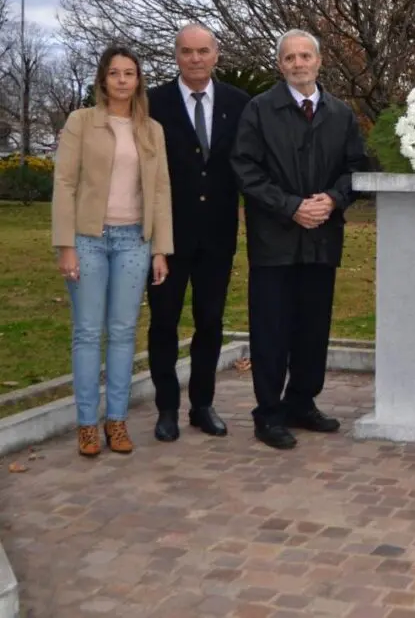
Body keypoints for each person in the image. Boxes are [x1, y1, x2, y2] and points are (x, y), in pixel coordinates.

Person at [231, 29, 369, 450]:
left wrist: (332, 199)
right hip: (275, 240)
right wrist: (291, 206)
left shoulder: (340, 114)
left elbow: (356, 169)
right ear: (280, 65)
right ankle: (268, 414)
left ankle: (301, 402)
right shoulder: (259, 110)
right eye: (290, 58)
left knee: (313, 329)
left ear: (319, 61)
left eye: (305, 55)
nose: (298, 64)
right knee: (271, 330)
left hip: (322, 240)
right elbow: (245, 168)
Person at [51, 44, 172, 457]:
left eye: (130, 73)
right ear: (103, 79)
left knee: (122, 333)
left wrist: (160, 249)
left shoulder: (151, 129)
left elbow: (160, 190)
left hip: (133, 240)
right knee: (87, 333)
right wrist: (65, 245)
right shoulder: (81, 122)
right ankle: (86, 424)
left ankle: (116, 422)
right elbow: (65, 184)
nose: (122, 80)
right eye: (115, 73)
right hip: (87, 239)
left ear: (138, 80)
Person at [146, 23, 251, 442]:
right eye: (187, 51)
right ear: (176, 55)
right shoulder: (153, 102)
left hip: (217, 235)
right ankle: (167, 408)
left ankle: (202, 405)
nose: (195, 58)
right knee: (164, 322)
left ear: (216, 54)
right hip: (167, 236)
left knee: (210, 321)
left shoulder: (238, 103)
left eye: (203, 51)